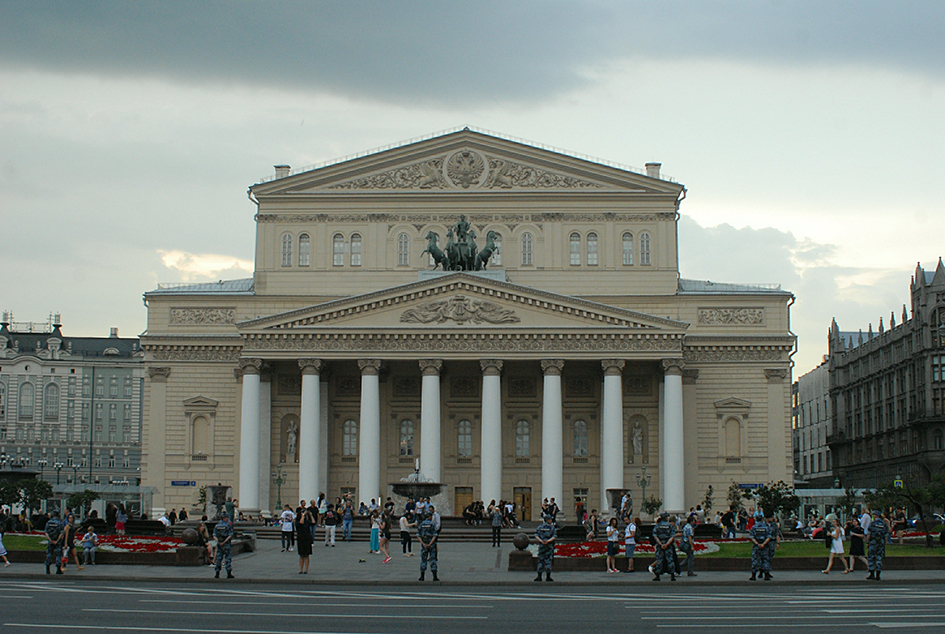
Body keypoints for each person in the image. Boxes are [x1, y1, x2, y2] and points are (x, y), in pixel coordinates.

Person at [651, 512, 676, 581]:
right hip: (668, 545)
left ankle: (658, 575)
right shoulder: (670, 526)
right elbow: (672, 536)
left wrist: (661, 544)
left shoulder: (658, 526)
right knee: (670, 559)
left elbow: (655, 536)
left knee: (659, 560)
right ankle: (672, 575)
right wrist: (667, 544)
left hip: (660, 545)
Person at [867, 509, 890, 580]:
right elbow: (886, 535)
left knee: (871, 557)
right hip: (881, 542)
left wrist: (867, 542)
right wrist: (884, 543)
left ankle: (872, 573)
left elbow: (869, 534)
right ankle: (878, 573)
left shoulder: (872, 524)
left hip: (873, 542)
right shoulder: (884, 524)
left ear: (876, 516)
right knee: (879, 557)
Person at [534, 514, 557, 582]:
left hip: (541, 546)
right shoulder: (552, 528)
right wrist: (548, 541)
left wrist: (541, 541)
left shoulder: (540, 527)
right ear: (548, 520)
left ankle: (539, 576)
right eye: (550, 519)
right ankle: (548, 577)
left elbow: (536, 535)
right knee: (548, 560)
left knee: (540, 560)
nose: (551, 520)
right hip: (549, 546)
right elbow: (554, 536)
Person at [748, 511, 770, 581]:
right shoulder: (766, 527)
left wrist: (757, 544)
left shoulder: (754, 527)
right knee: (765, 560)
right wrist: (763, 544)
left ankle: (753, 575)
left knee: (755, 560)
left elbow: (752, 537)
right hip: (765, 545)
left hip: (756, 545)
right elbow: (769, 537)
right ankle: (766, 575)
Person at [417, 511, 439, 581]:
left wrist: (423, 543)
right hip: (431, 544)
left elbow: (418, 535)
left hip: (424, 544)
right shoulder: (432, 524)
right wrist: (430, 543)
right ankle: (434, 576)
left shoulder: (421, 524)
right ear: (429, 517)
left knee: (423, 559)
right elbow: (435, 535)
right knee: (433, 559)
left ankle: (422, 576)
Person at [213, 511, 235, 579]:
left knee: (219, 558)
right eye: (226, 517)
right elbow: (230, 535)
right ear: (224, 518)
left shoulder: (217, 526)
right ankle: (228, 573)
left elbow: (214, 535)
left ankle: (217, 573)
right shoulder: (228, 525)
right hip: (226, 544)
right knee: (228, 558)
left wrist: (219, 542)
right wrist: (224, 542)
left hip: (219, 544)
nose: (227, 519)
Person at [44, 510, 65, 575]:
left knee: (49, 554)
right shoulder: (60, 523)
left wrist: (50, 540)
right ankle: (58, 569)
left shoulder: (49, 522)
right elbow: (61, 533)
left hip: (50, 541)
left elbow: (46, 532)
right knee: (58, 555)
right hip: (57, 542)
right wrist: (57, 541)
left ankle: (47, 568)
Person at [296, 505, 314, 574]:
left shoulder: (307, 522)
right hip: (301, 538)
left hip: (307, 538)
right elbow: (301, 523)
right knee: (301, 555)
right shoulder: (298, 521)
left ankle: (306, 569)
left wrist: (310, 515)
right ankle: (301, 569)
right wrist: (302, 515)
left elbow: (313, 522)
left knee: (307, 555)